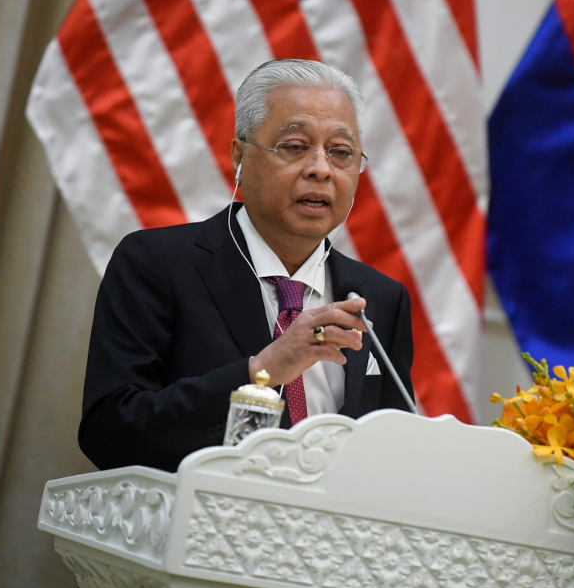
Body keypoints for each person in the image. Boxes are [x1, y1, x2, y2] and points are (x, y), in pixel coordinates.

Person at [79, 59, 414, 473]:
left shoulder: (380, 298)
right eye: (295, 146)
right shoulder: (156, 263)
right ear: (240, 156)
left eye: (341, 153)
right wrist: (261, 370)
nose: (320, 169)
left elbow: (396, 454)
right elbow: (110, 432)